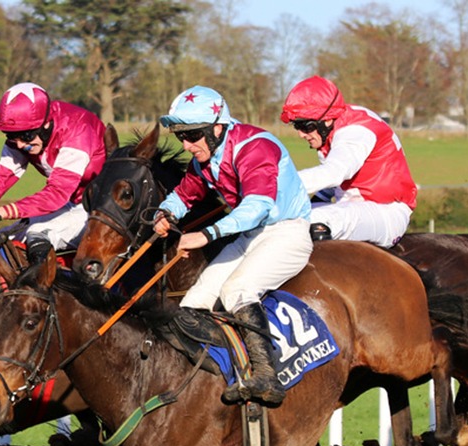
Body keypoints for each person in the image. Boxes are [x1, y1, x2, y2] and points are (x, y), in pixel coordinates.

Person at [153, 85, 313, 407]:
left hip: (286, 232)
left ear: (217, 128)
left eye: (192, 136)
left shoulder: (256, 147)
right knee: (192, 305)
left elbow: (257, 207)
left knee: (236, 290)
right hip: (250, 237)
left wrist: (207, 234)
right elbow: (184, 195)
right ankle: (225, 376)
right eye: (180, 137)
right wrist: (165, 212)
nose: (186, 145)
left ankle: (267, 376)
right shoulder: (204, 159)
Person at [0, 82, 107, 263]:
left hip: (102, 207)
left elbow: (56, 193)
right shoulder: (22, 139)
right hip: (70, 201)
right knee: (3, 240)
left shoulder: (77, 131)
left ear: (46, 124)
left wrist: (1, 212)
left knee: (37, 234)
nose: (19, 144)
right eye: (10, 135)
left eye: (26, 136)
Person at [280, 75, 417, 247]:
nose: (301, 134)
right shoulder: (331, 129)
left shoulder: (355, 132)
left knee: (315, 219)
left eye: (306, 127)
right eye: (297, 126)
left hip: (386, 211)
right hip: (353, 208)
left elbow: (333, 173)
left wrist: (274, 185)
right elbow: (333, 185)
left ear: (327, 120)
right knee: (282, 218)